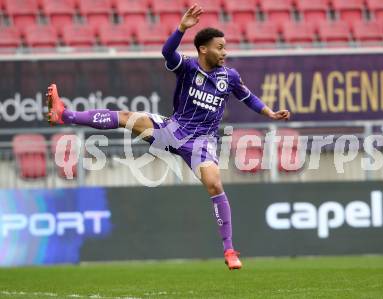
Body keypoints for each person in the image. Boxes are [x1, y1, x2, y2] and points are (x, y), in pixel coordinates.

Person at [46, 4, 290, 270]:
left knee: (214, 184)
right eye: (220, 47)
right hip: (173, 130)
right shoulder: (186, 67)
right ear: (203, 49)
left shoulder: (229, 77)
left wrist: (269, 112)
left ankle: (229, 250)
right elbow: (167, 52)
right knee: (128, 118)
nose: (225, 52)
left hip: (201, 142)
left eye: (225, 47)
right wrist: (181, 28)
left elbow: (248, 97)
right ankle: (65, 115)